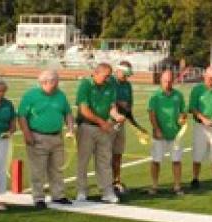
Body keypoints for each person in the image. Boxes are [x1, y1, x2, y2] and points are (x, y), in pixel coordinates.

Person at [18, 70, 74, 209]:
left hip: (56, 136)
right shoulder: (31, 95)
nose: (58, 83)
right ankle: (38, 198)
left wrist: (70, 128)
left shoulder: (60, 95)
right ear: (45, 82)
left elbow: (67, 113)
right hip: (38, 136)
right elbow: (22, 116)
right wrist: (27, 134)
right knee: (38, 169)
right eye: (55, 81)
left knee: (57, 168)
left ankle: (58, 195)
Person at [76, 63, 125, 203]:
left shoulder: (110, 85)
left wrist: (116, 117)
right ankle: (81, 191)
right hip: (87, 127)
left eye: (110, 76)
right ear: (96, 73)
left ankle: (107, 192)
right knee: (83, 161)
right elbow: (84, 109)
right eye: (106, 76)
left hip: (104, 128)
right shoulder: (85, 85)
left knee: (104, 161)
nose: (108, 78)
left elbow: (112, 107)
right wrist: (101, 122)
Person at [148, 70, 187, 195]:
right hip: (159, 136)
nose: (167, 83)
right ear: (161, 80)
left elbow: (183, 112)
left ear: (173, 81)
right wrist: (157, 129)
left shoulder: (179, 95)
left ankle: (177, 186)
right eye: (165, 81)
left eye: (170, 81)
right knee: (156, 161)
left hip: (175, 135)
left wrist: (182, 117)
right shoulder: (155, 96)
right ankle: (154, 186)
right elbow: (151, 114)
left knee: (176, 161)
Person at [109, 61, 134, 194]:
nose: (126, 77)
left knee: (118, 154)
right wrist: (120, 103)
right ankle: (107, 182)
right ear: (118, 71)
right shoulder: (110, 82)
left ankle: (116, 181)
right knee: (107, 154)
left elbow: (129, 104)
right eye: (125, 74)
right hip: (109, 123)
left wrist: (135, 124)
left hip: (121, 123)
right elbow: (108, 100)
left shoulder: (128, 85)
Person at [0, 77, 16, 210]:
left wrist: (10, 131)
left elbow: (13, 122)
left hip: (3, 141)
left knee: (0, 170)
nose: (0, 94)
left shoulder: (8, 104)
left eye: (3, 91)